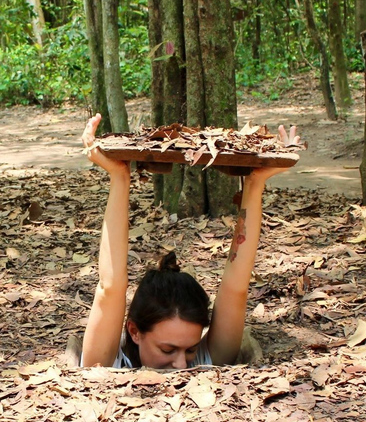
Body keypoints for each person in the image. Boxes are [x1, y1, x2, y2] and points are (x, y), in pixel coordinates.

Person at [80, 114, 299, 370]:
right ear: (135, 332)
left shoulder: (208, 360)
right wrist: (119, 177)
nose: (182, 365)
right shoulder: (106, 361)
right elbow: (111, 286)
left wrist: (256, 183)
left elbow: (235, 288)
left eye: (191, 349)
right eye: (167, 349)